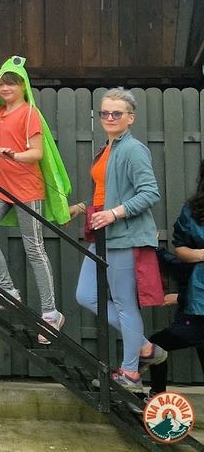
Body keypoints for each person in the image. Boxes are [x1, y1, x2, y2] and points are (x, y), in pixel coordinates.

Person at [0, 59, 67, 340]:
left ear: (23, 86)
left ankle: (51, 313)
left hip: (27, 190)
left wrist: (14, 155)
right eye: (2, 83)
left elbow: (36, 153)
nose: (6, 88)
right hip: (1, 188)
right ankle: (8, 290)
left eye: (11, 83)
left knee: (34, 248)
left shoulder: (29, 114)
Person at [73, 88, 162, 392]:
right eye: (105, 113)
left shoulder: (134, 149)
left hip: (125, 237)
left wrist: (114, 214)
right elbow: (107, 192)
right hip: (103, 234)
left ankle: (131, 374)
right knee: (86, 295)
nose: (109, 118)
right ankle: (145, 347)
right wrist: (82, 208)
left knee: (124, 304)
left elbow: (150, 193)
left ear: (130, 118)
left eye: (117, 113)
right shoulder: (108, 148)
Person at [145, 159, 204, 396]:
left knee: (155, 345)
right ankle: (157, 400)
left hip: (194, 307)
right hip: (198, 307)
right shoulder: (193, 211)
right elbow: (181, 254)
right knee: (155, 345)